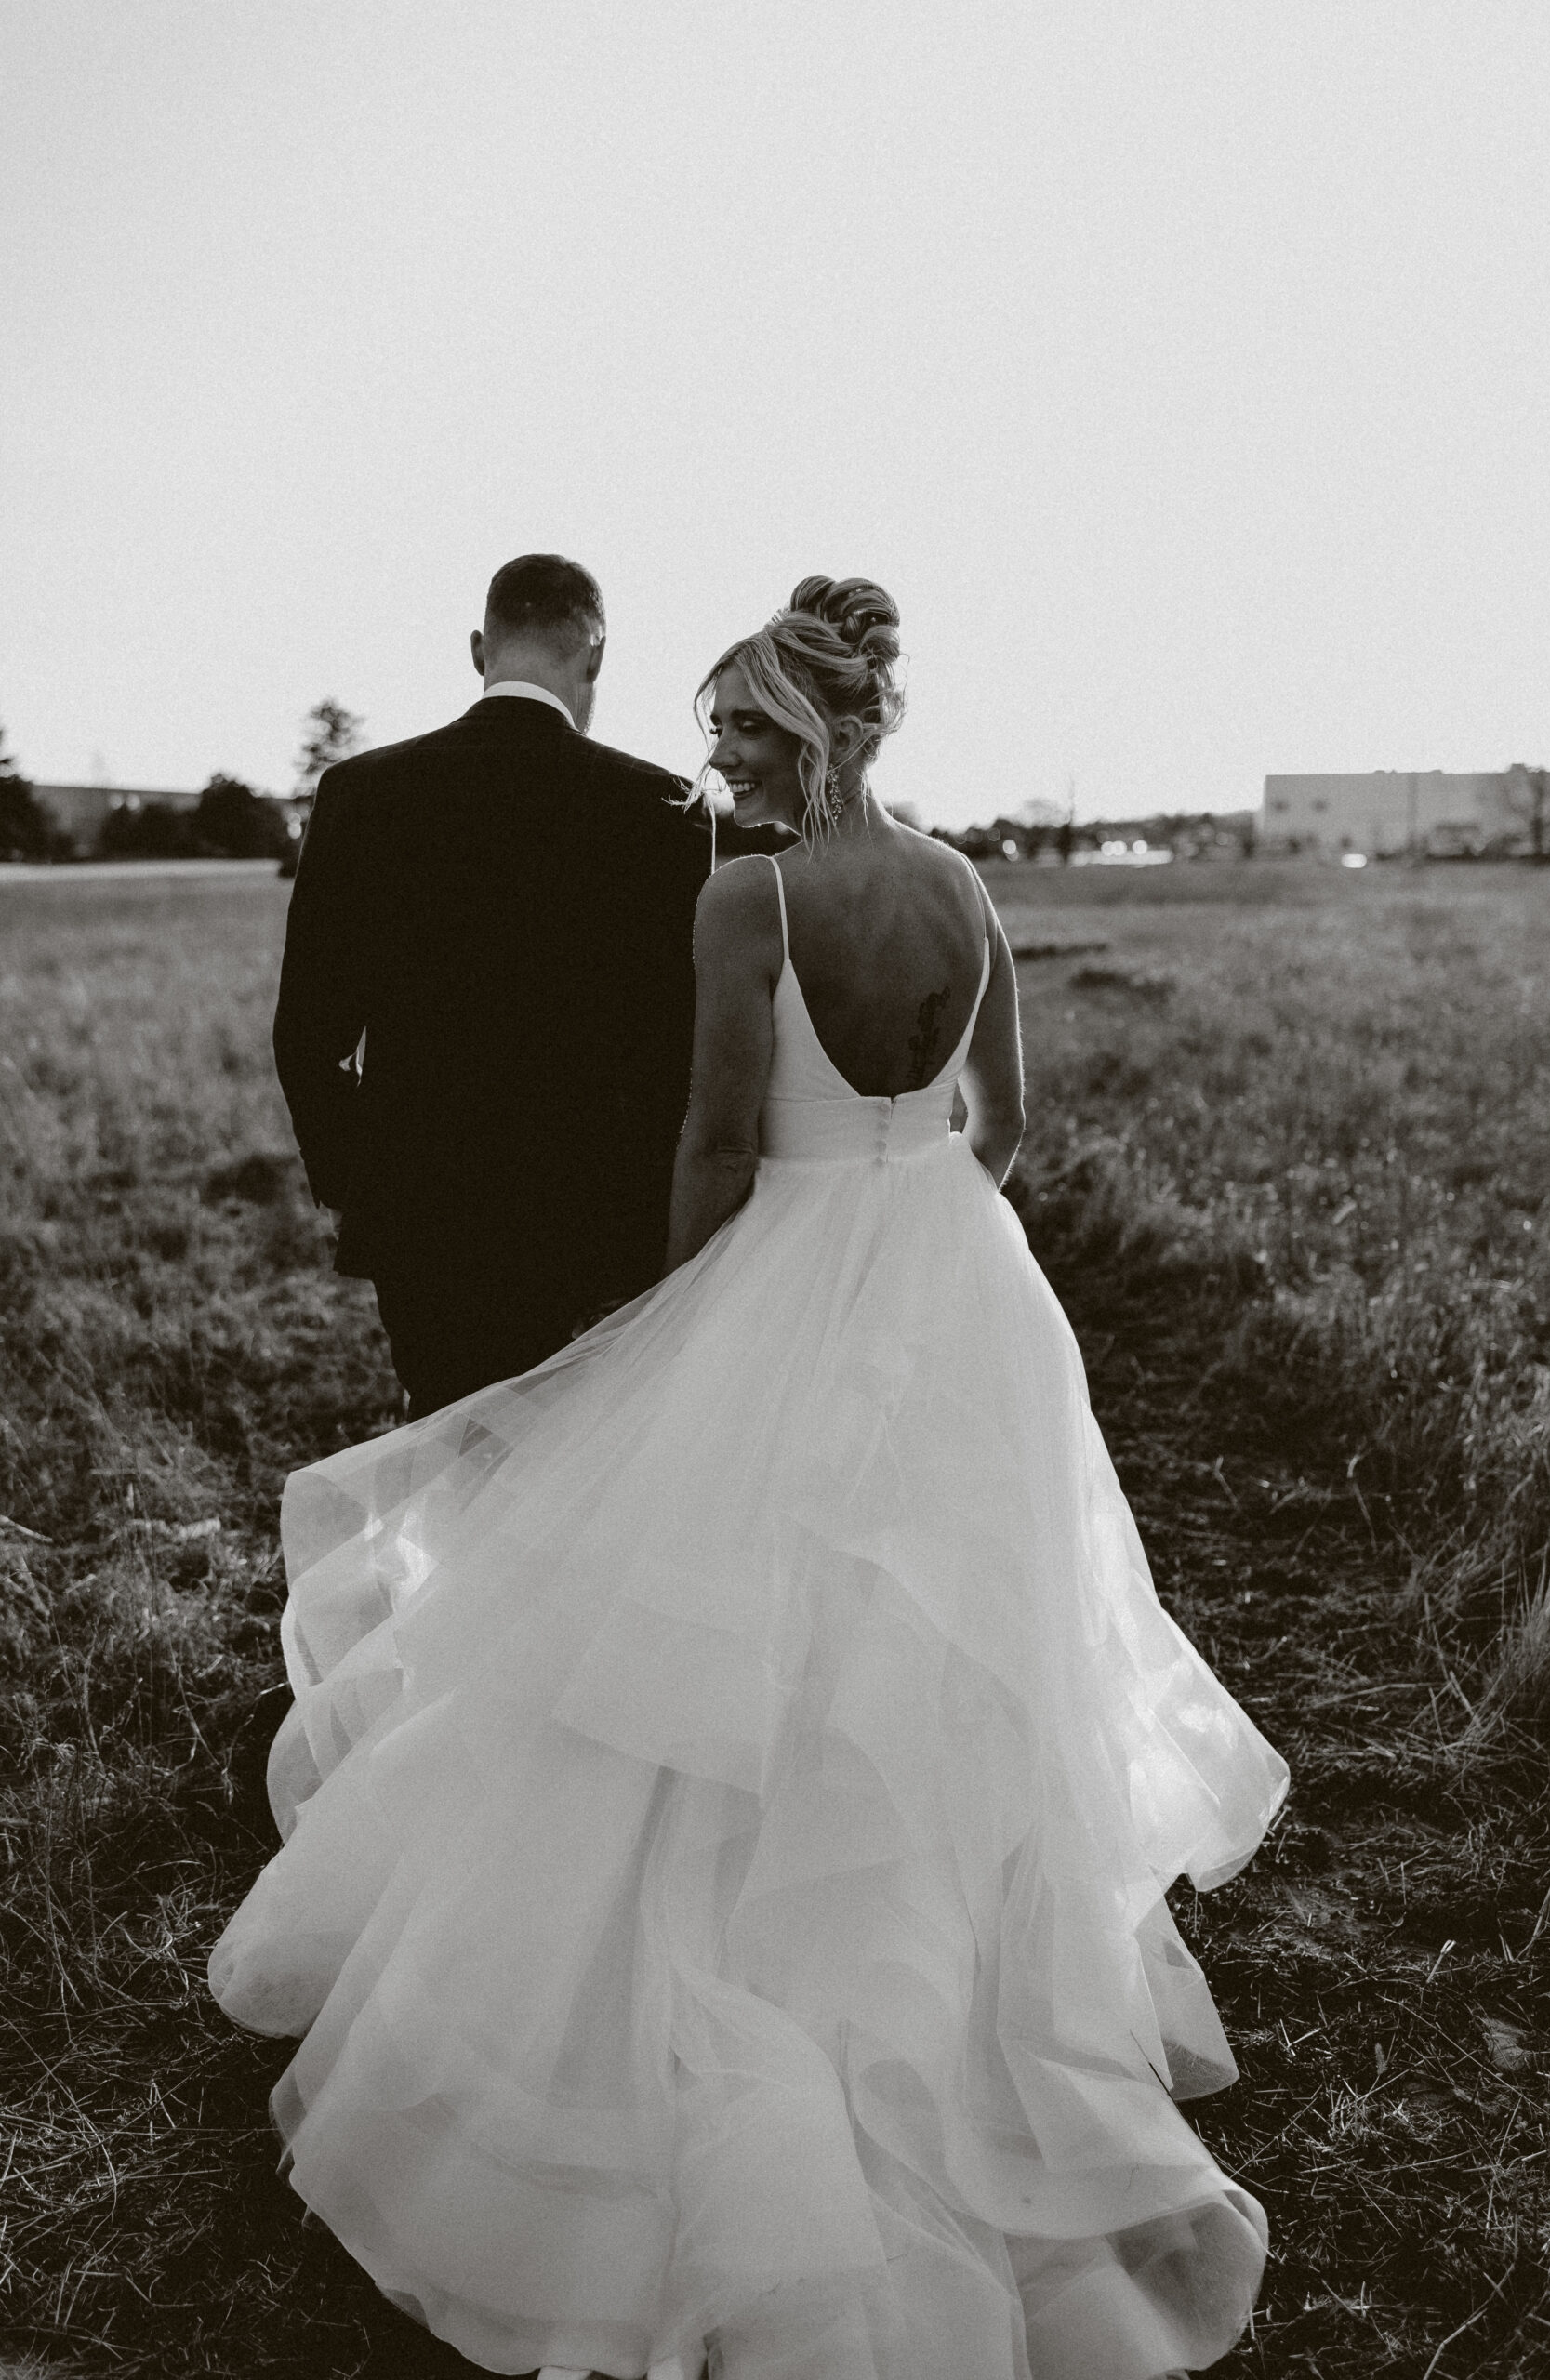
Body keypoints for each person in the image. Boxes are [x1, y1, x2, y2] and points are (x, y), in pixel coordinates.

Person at [213, 576, 1288, 2380]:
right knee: (926, 1612)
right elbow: (999, 1124)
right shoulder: (961, 888)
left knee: (713, 1609)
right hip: (953, 1278)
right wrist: (906, 1216)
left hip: (781, 1251)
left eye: (738, 732)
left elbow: (717, 1127)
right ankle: (948, 1956)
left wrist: (701, 1303)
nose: (712, 761)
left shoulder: (749, 894)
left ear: (803, 732)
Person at [272, 553, 712, 1417]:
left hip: (420, 1212)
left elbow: (307, 1032)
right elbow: (674, 1044)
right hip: (596, 1217)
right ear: (595, 659)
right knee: (575, 1472)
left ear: (480, 648)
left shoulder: (362, 793)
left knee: (447, 1450)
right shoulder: (662, 810)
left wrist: (359, 1180)